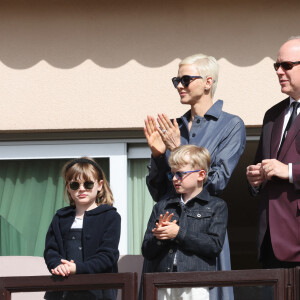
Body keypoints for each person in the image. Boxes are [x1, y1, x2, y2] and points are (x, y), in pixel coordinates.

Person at [144, 53, 246, 299]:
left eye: (186, 79)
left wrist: (177, 149)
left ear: (208, 82)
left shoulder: (231, 125)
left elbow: (216, 183)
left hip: (202, 240)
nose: (179, 85)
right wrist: (158, 157)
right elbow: (159, 192)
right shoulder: (173, 126)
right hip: (165, 240)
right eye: (176, 80)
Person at [142, 145, 228, 300]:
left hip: (196, 282)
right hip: (163, 281)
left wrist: (178, 233)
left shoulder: (216, 206)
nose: (175, 179)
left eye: (180, 174)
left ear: (201, 175)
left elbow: (214, 245)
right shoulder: (162, 206)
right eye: (172, 174)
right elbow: (147, 250)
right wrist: (159, 238)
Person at [246, 36, 300, 268]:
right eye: (276, 65)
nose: (279, 71)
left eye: (286, 65)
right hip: (271, 242)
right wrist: (255, 178)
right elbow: (262, 164)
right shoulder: (272, 115)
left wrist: (288, 171)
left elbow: (284, 169)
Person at [44, 157, 121, 300]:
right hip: (61, 292)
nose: (81, 189)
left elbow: (108, 255)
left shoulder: (110, 216)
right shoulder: (60, 217)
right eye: (75, 185)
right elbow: (51, 250)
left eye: (88, 184)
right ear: (68, 187)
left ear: (99, 185)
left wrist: (77, 269)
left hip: (99, 293)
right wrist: (58, 266)